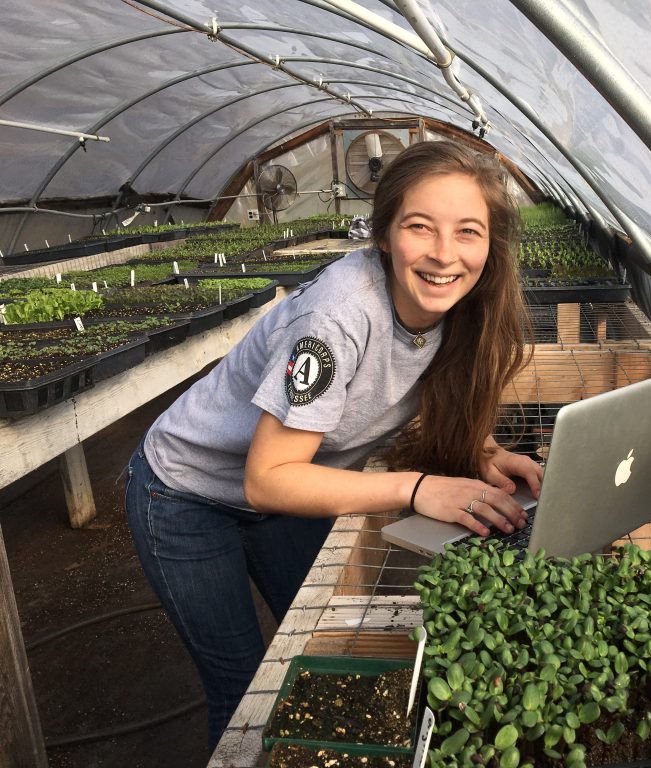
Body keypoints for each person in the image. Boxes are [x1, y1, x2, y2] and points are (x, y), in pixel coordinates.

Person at [124, 140, 544, 751]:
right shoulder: (339, 317)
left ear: (491, 245)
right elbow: (266, 477)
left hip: (293, 485)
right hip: (188, 495)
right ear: (383, 236)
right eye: (419, 227)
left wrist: (481, 451)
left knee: (333, 647)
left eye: (468, 232)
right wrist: (415, 487)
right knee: (245, 691)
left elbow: (418, 380)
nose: (444, 254)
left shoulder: (458, 302)